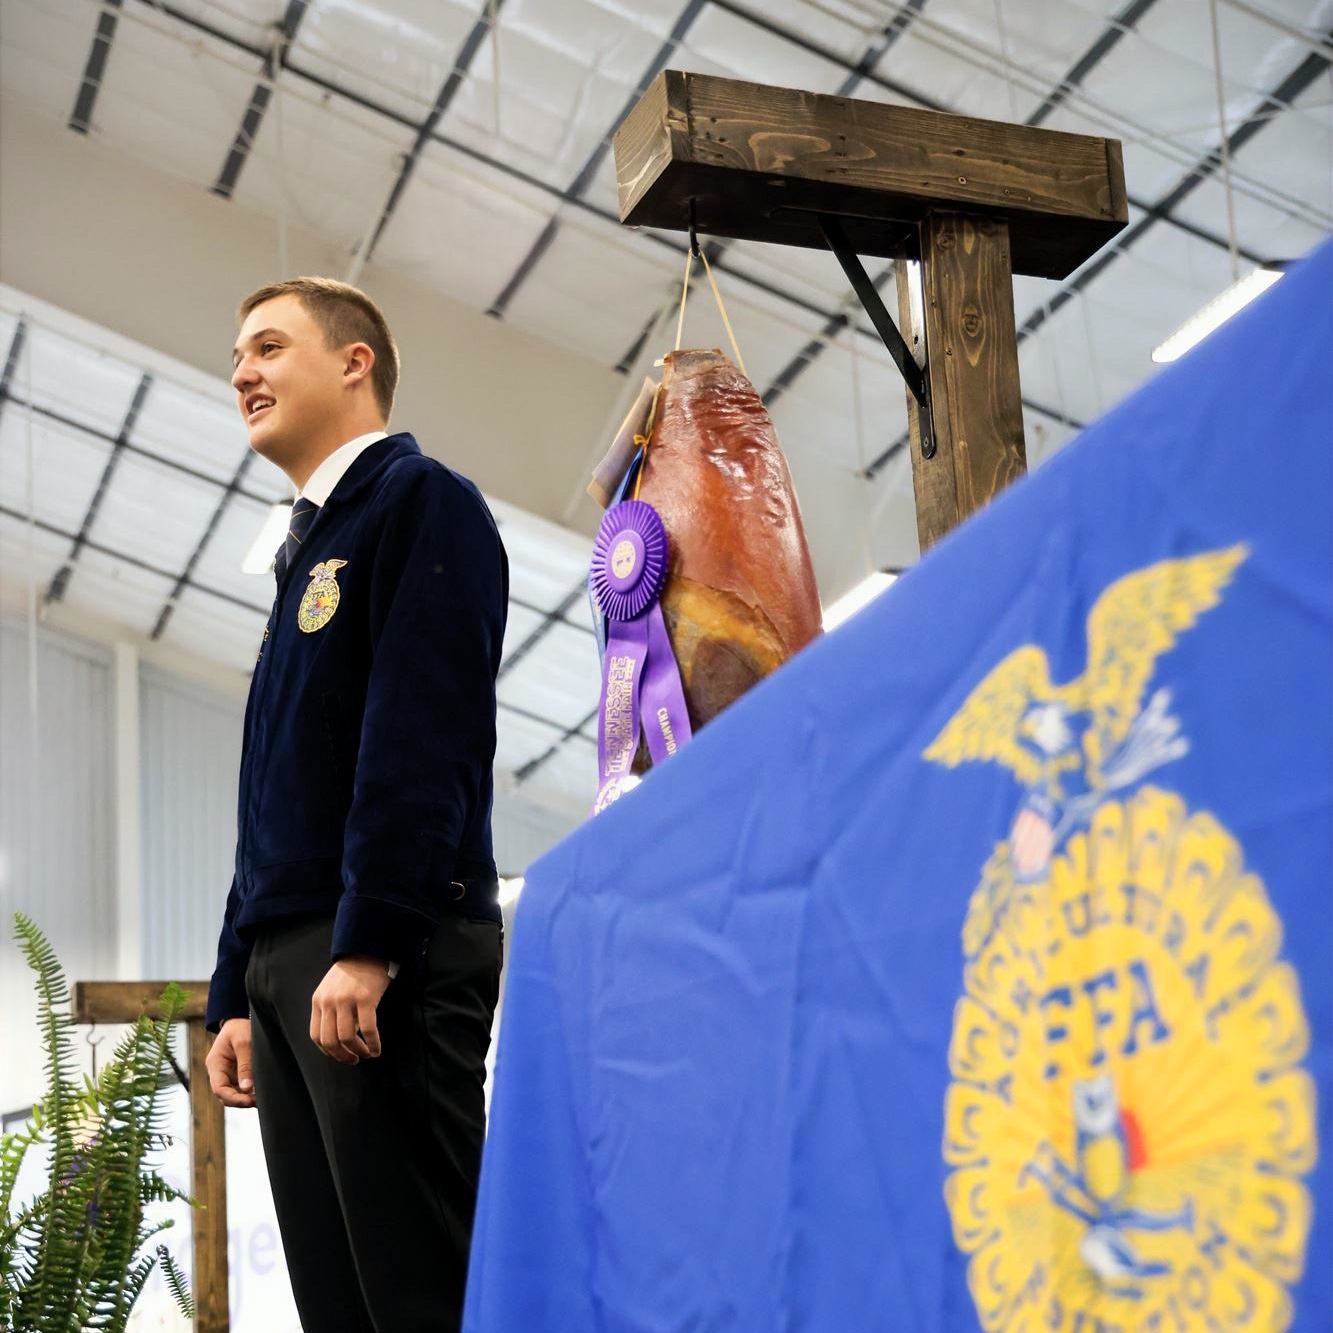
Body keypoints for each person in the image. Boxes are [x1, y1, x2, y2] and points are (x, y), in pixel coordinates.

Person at [203, 276, 508, 1332]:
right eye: (238, 354)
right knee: (341, 1307)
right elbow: (274, 796)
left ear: (353, 361)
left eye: (268, 347)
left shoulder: (421, 503)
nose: (241, 371)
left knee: (422, 1295)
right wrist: (234, 989)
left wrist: (371, 942)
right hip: (295, 963)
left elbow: (425, 735)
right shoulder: (303, 558)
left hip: (384, 953)